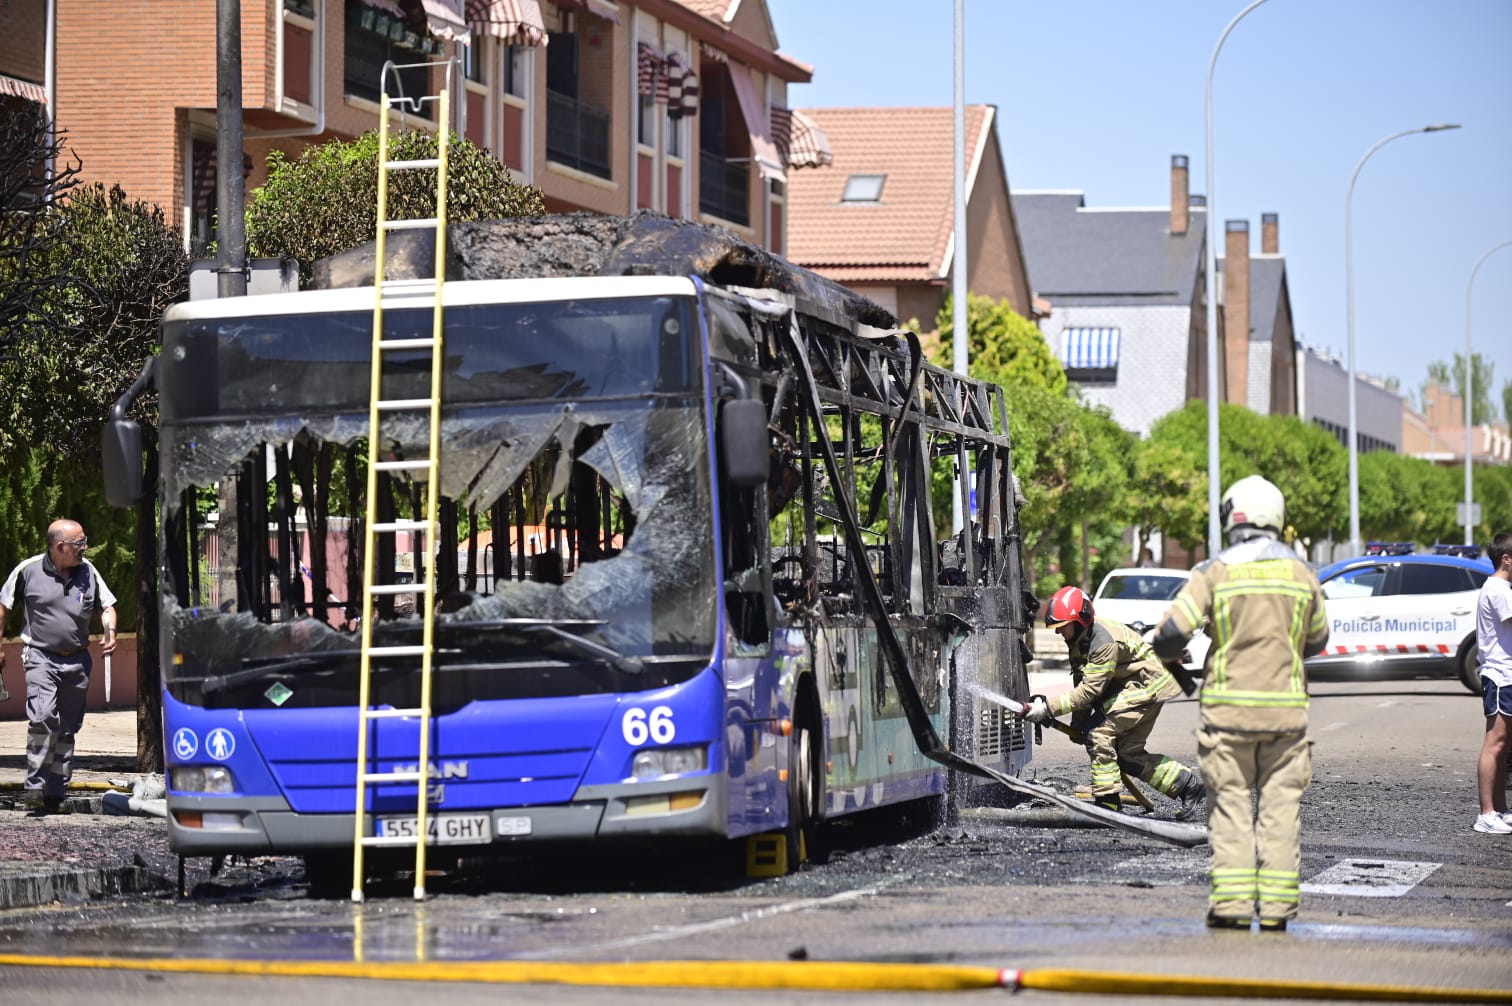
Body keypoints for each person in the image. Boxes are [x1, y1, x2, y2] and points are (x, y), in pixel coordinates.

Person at [1153, 475, 1328, 932]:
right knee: (1280, 812)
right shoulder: (1302, 573)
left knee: (1230, 810)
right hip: (1286, 718)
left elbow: (1170, 635)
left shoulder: (1215, 571)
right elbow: (1318, 638)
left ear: (1231, 518)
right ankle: (1276, 912)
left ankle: (1231, 907)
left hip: (1227, 717)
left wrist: (1175, 652)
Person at [1024, 584, 1206, 819]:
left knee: (1099, 734)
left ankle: (1108, 803)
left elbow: (1090, 691)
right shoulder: (1079, 641)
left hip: (1148, 684)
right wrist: (1078, 725)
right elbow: (1083, 684)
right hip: (1134, 685)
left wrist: (1048, 708)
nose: (1059, 632)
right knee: (1127, 755)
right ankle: (1188, 786)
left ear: (1080, 620)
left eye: (1062, 626)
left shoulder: (1102, 641)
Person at [0, 519, 118, 816]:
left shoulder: (89, 572)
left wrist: (110, 630)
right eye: (80, 543)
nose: (85, 547)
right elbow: (3, 606)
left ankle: (55, 793)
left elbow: (107, 606)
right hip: (41, 657)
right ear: (60, 546)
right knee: (42, 717)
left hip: (77, 661)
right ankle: (34, 787)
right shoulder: (27, 571)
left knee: (67, 728)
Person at [1473, 531, 1512, 834]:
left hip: (1506, 675)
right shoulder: (1498, 591)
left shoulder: (1502, 588)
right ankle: (1486, 814)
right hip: (1501, 675)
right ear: (1506, 559)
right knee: (1495, 743)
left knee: (1504, 745)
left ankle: (1500, 809)